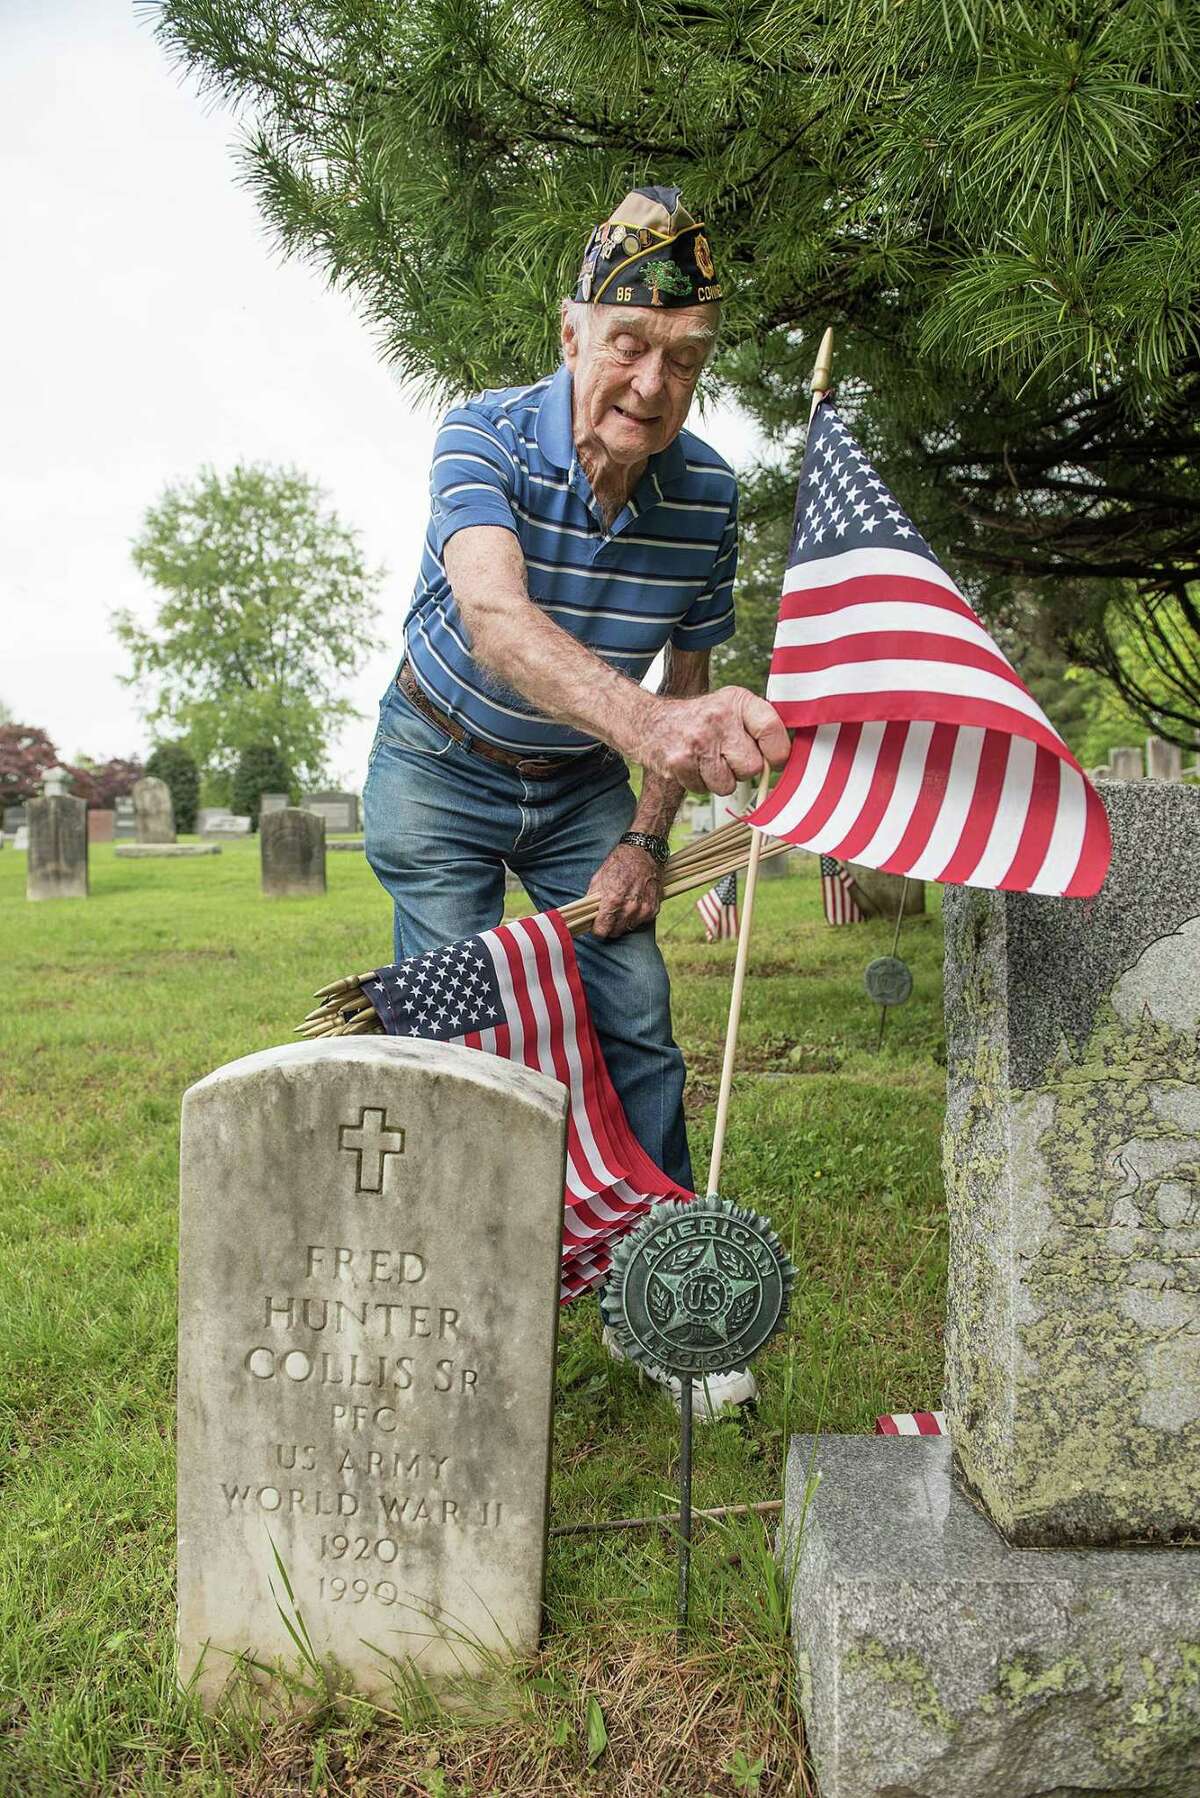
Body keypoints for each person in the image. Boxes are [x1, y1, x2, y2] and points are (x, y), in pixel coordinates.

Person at [363, 186, 788, 1414]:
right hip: (437, 759)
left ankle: (662, 1299)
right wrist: (656, 723)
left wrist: (650, 836)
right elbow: (495, 619)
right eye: (629, 344)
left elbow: (694, 688)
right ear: (571, 335)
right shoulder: (479, 435)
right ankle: (457, 1291)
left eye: (686, 360)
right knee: (460, 1032)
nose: (653, 384)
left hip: (585, 783)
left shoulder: (708, 498)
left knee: (638, 1008)